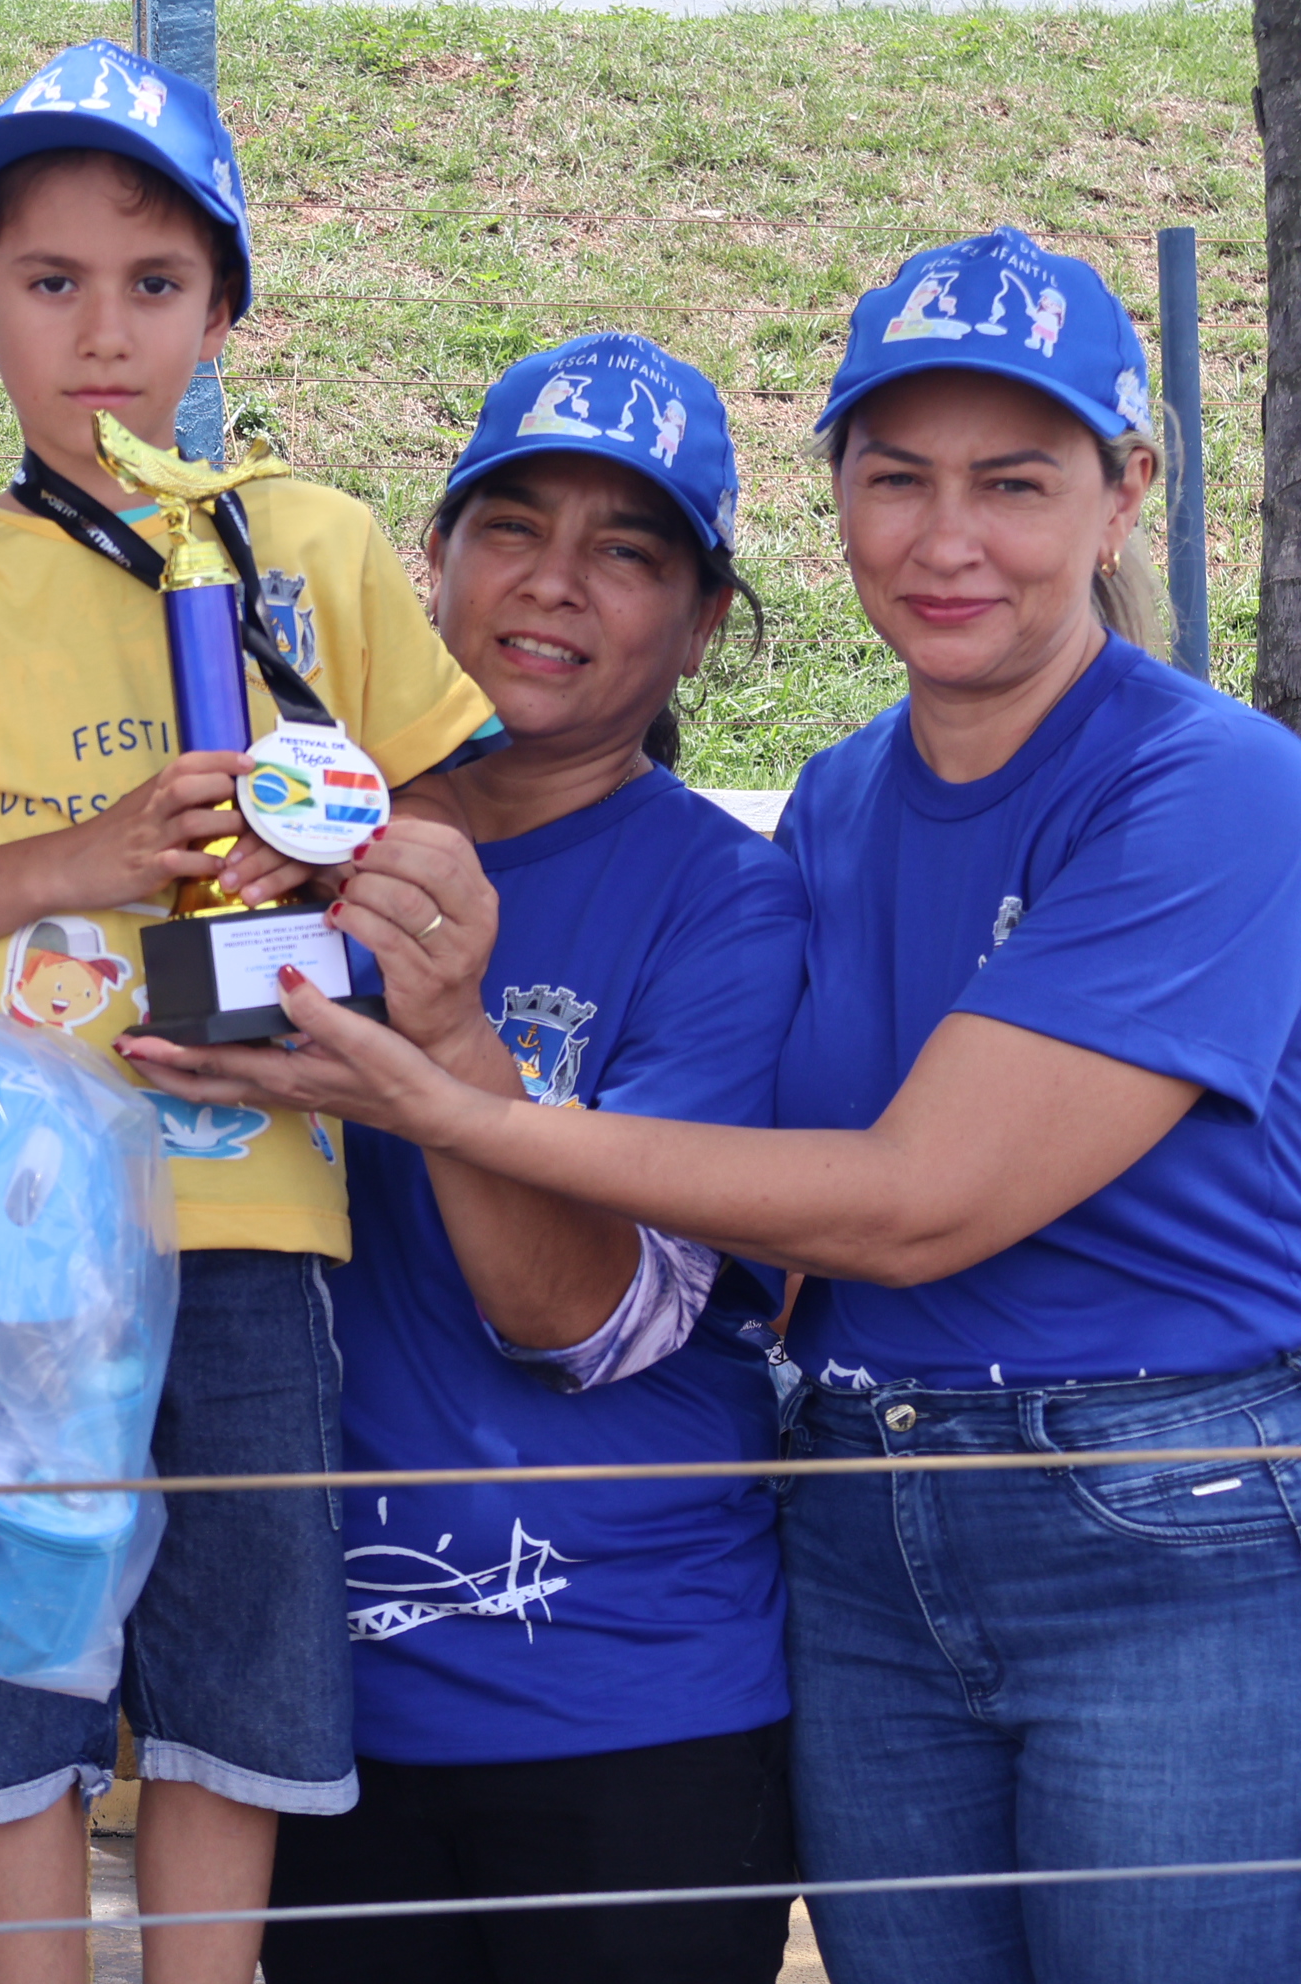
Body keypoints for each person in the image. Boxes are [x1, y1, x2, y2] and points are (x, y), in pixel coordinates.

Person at [124, 227, 1301, 1983]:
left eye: (1016, 480)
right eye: (896, 476)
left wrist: (445, 1081)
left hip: (1145, 1511)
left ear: (1126, 495)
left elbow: (916, 1198)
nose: (946, 535)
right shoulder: (834, 807)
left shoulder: (1212, 782)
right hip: (849, 1516)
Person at [0, 42, 501, 1984]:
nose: (105, 332)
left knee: (247, 1644)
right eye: (50, 281)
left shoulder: (321, 552)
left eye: (157, 282)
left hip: (259, 1206)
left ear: (229, 309)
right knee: (7, 1622)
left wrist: (323, 903)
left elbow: (434, 857)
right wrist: (73, 860)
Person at [125, 334, 806, 1982]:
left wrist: (447, 1046)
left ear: (703, 625)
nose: (553, 584)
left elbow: (584, 1320)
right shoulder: (268, 839)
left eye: (628, 550)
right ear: (427, 566)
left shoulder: (726, 900)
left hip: (626, 1707)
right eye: (511, 527)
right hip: (291, 1706)